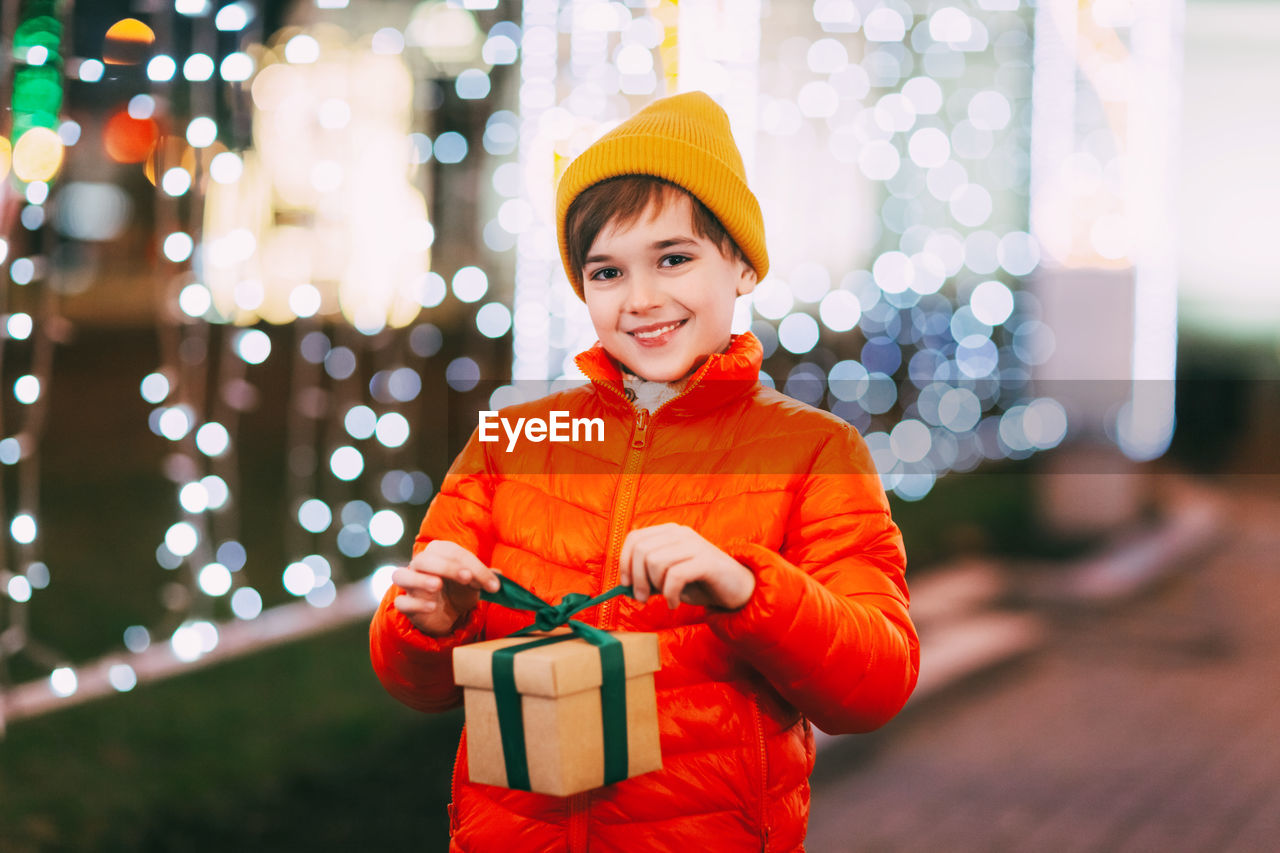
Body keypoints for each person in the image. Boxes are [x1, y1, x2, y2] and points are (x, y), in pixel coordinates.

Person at [369, 90, 919, 852]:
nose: (642, 299)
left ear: (742, 264)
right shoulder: (512, 441)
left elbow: (877, 680)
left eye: (674, 258)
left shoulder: (815, 454)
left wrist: (747, 587)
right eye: (607, 272)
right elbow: (417, 683)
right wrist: (426, 624)